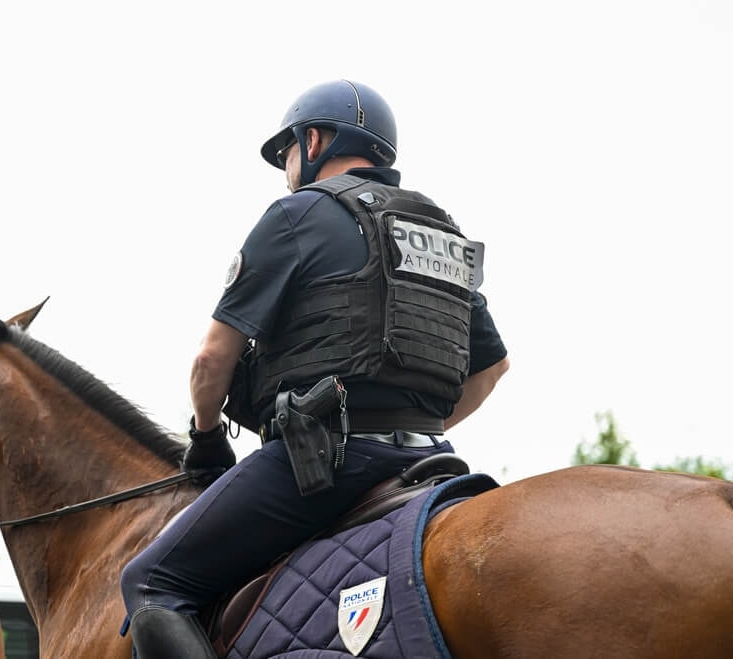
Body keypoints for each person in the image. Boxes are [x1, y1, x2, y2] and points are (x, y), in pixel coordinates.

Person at [120, 79, 509, 658]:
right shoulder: (441, 232)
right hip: (432, 460)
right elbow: (492, 368)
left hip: (322, 466)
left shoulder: (297, 214)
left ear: (315, 141)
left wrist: (205, 436)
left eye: (287, 153)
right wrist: (414, 427)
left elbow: (211, 359)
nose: (286, 170)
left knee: (151, 583)